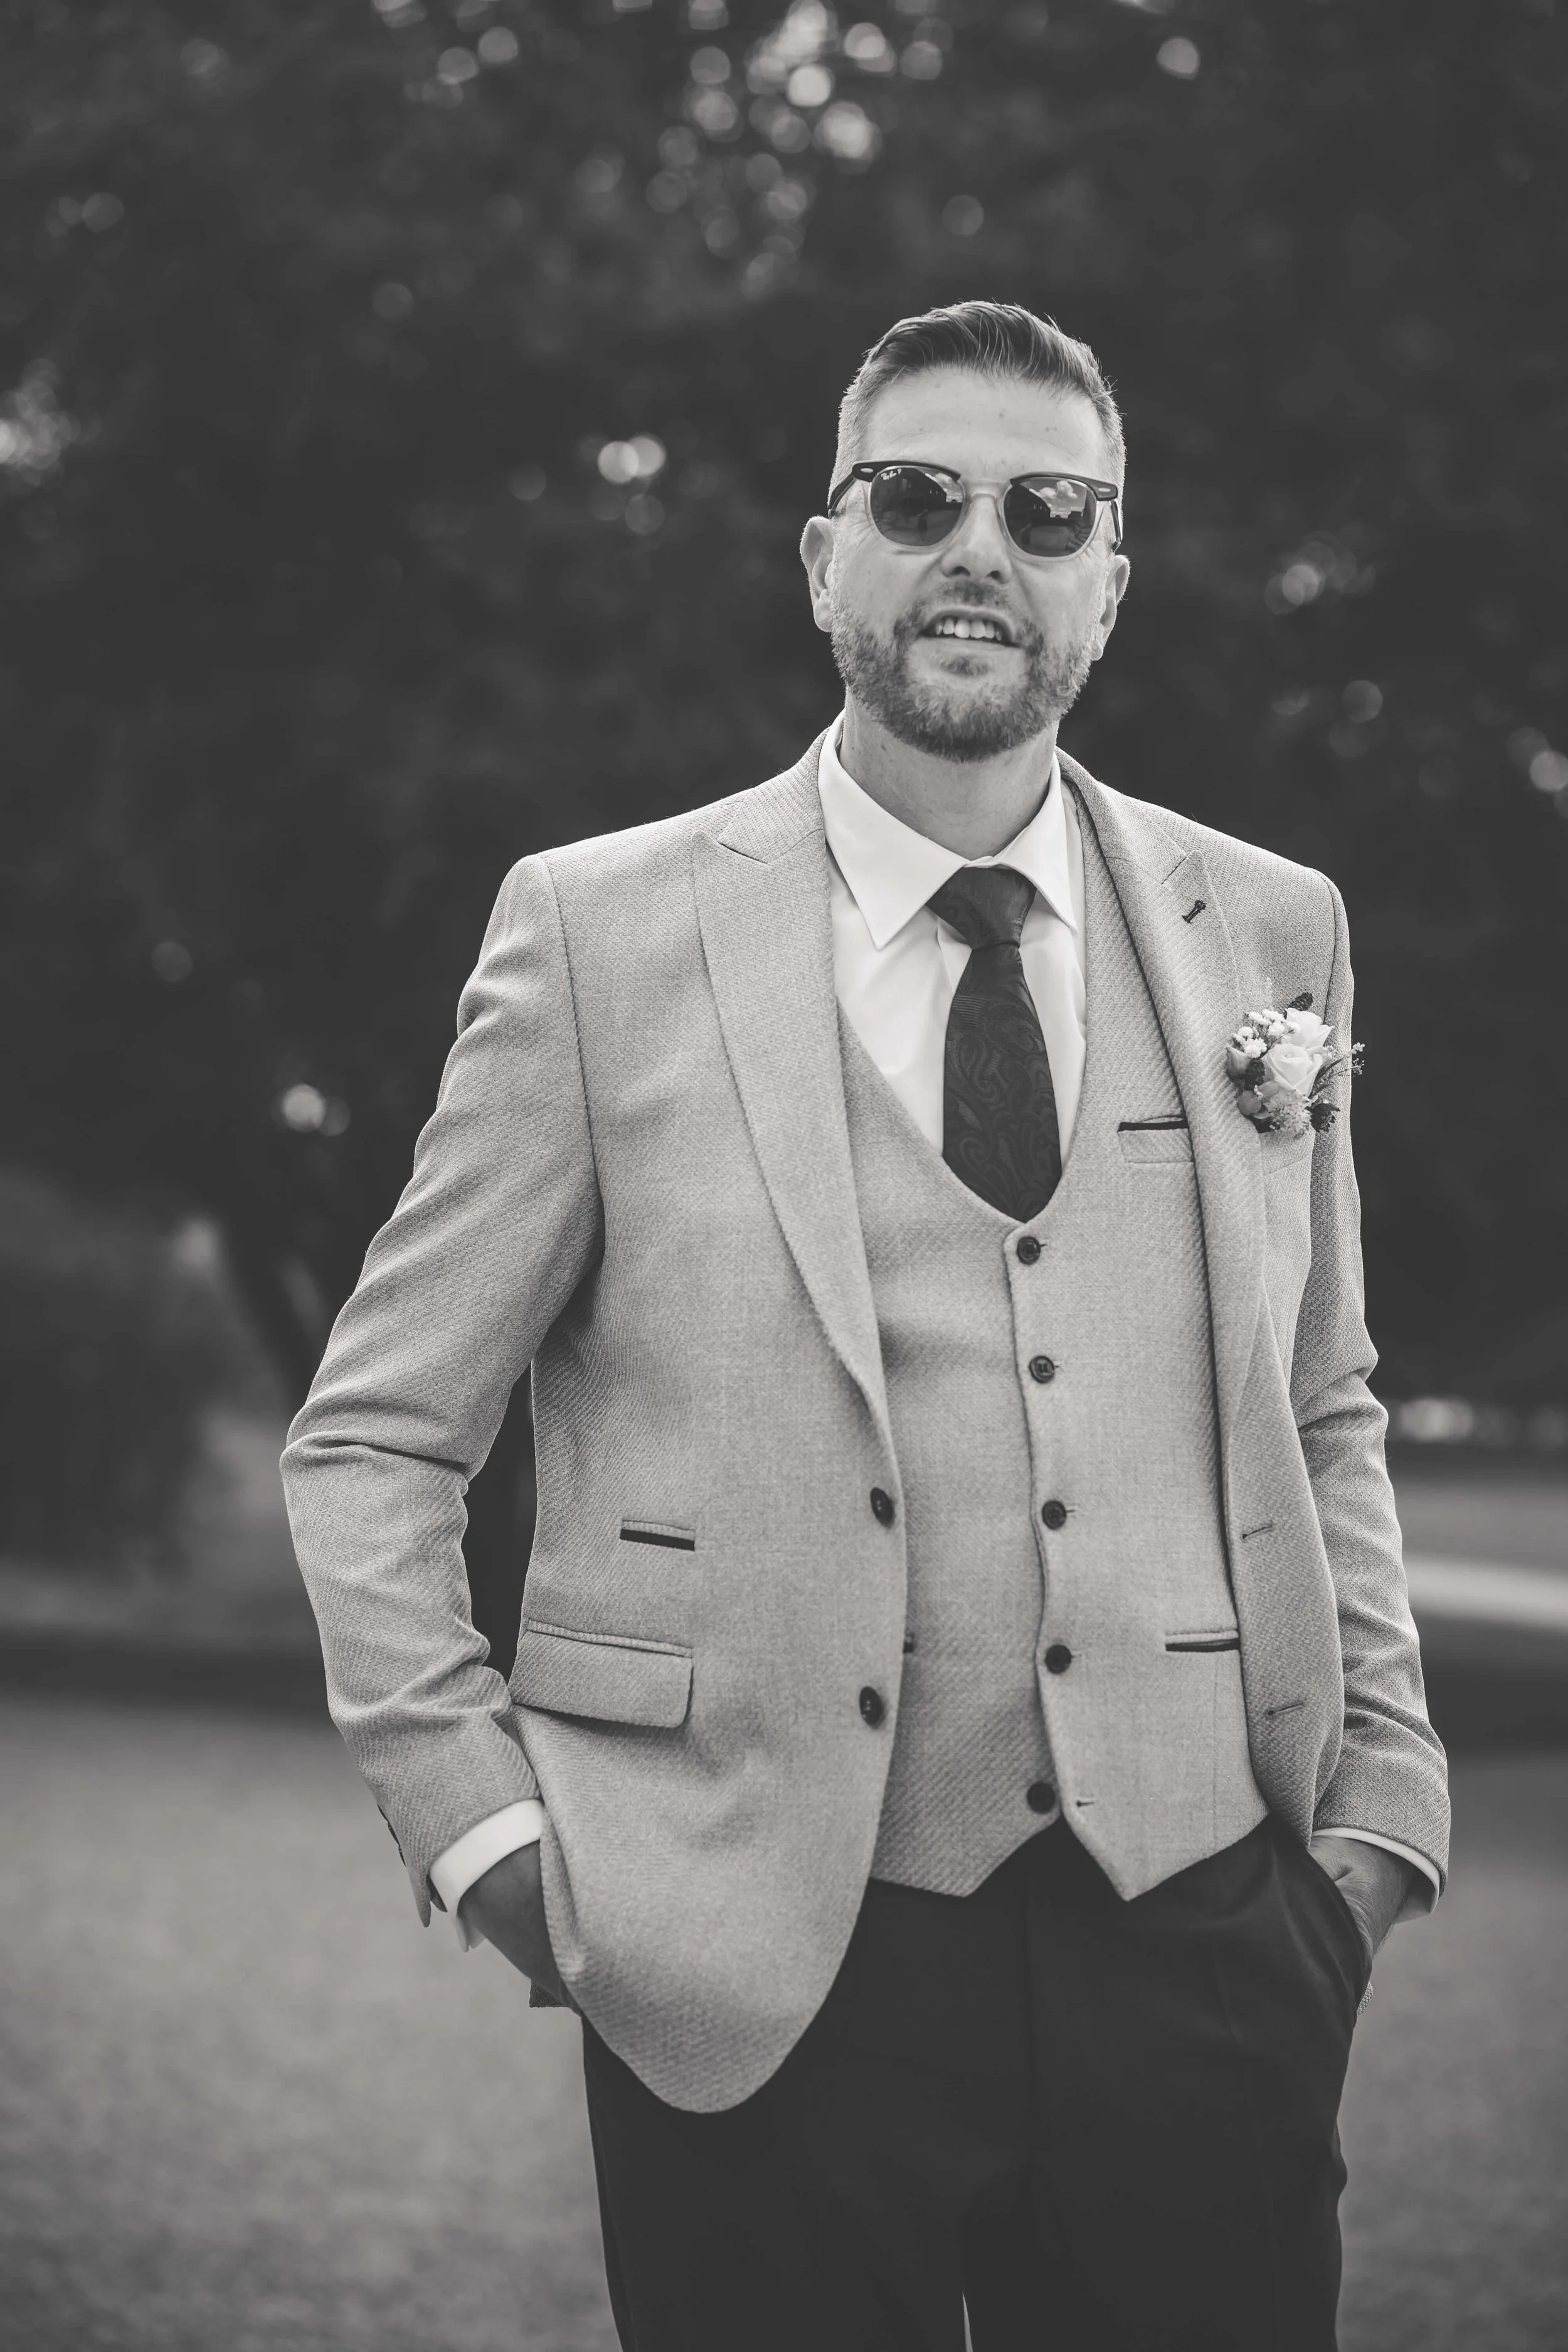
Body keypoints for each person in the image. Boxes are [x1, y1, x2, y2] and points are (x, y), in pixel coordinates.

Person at [282, 300, 1449, 2352]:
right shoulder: (601, 932)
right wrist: (495, 1846)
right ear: (825, 558)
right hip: (752, 1964)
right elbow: (376, 1436)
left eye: (1042, 506)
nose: (974, 546)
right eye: (913, 496)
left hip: (1206, 1939)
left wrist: (1374, 1814)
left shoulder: (1272, 926)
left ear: (1109, 575)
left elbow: (1322, 1393)